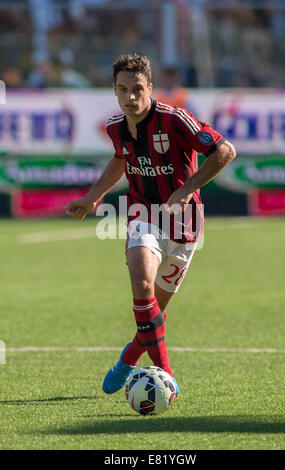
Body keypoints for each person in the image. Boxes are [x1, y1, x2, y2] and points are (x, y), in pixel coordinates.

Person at [66, 53, 236, 396]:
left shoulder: (175, 120)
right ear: (114, 90)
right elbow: (120, 158)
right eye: (123, 89)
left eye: (137, 89)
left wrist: (188, 189)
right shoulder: (116, 128)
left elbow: (225, 151)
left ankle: (129, 357)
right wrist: (94, 197)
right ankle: (165, 375)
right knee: (142, 285)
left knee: (155, 310)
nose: (131, 97)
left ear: (150, 88)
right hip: (143, 214)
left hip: (186, 224)